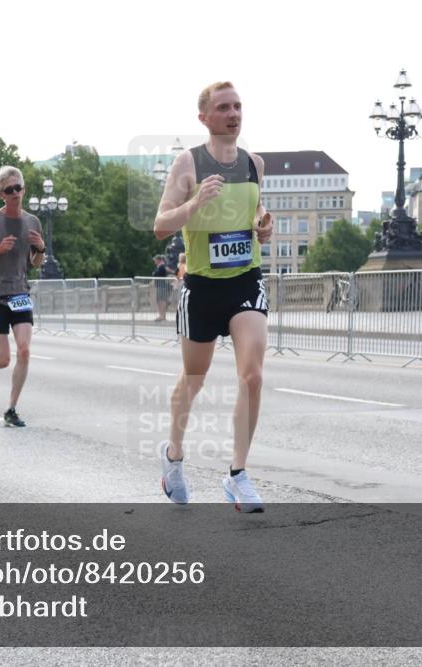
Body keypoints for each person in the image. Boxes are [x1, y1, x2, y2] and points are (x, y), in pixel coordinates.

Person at [153, 81, 273, 512]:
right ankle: (173, 456)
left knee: (252, 376)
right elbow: (161, 225)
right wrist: (196, 203)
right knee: (194, 378)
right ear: (204, 117)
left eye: (237, 106)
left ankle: (237, 474)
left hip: (245, 281)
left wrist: (262, 224)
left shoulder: (254, 163)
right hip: (203, 287)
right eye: (223, 107)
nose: (233, 113)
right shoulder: (188, 163)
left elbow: (254, 209)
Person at [0, 166, 45, 427]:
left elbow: (36, 262)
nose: (15, 193)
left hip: (20, 293)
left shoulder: (33, 222)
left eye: (18, 188)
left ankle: (11, 408)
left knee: (24, 351)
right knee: (4, 359)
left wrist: (41, 248)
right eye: (9, 190)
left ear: (24, 189)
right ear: (1, 194)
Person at [151, 254, 171, 321]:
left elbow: (155, 274)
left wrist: (154, 273)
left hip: (162, 286)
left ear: (158, 260)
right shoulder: (160, 266)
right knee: (160, 301)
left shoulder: (162, 267)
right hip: (160, 286)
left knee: (162, 301)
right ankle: (161, 315)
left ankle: (162, 316)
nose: (154, 261)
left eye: (155, 260)